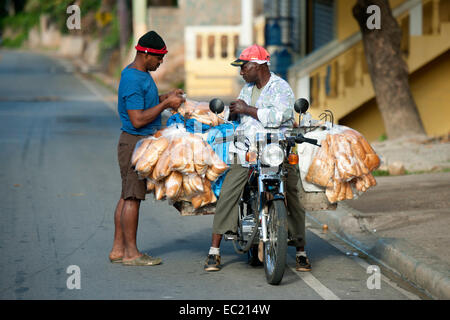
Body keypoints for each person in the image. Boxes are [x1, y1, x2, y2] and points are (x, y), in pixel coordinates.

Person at [204, 44, 311, 272]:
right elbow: (239, 115)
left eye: (244, 66)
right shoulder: (247, 88)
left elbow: (280, 116)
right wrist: (234, 111)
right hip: (247, 152)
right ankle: (214, 251)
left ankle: (301, 250)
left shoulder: (281, 88)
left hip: (275, 151)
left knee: (293, 194)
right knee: (228, 191)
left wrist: (247, 109)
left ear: (258, 65)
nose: (241, 71)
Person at [109, 31, 185, 266]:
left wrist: (166, 96)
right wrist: (165, 104)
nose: (161, 62)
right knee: (133, 198)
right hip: (135, 143)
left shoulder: (140, 75)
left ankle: (118, 249)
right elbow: (138, 119)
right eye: (159, 57)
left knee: (126, 195)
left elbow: (144, 103)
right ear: (145, 54)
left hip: (137, 143)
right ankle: (132, 254)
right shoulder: (133, 79)